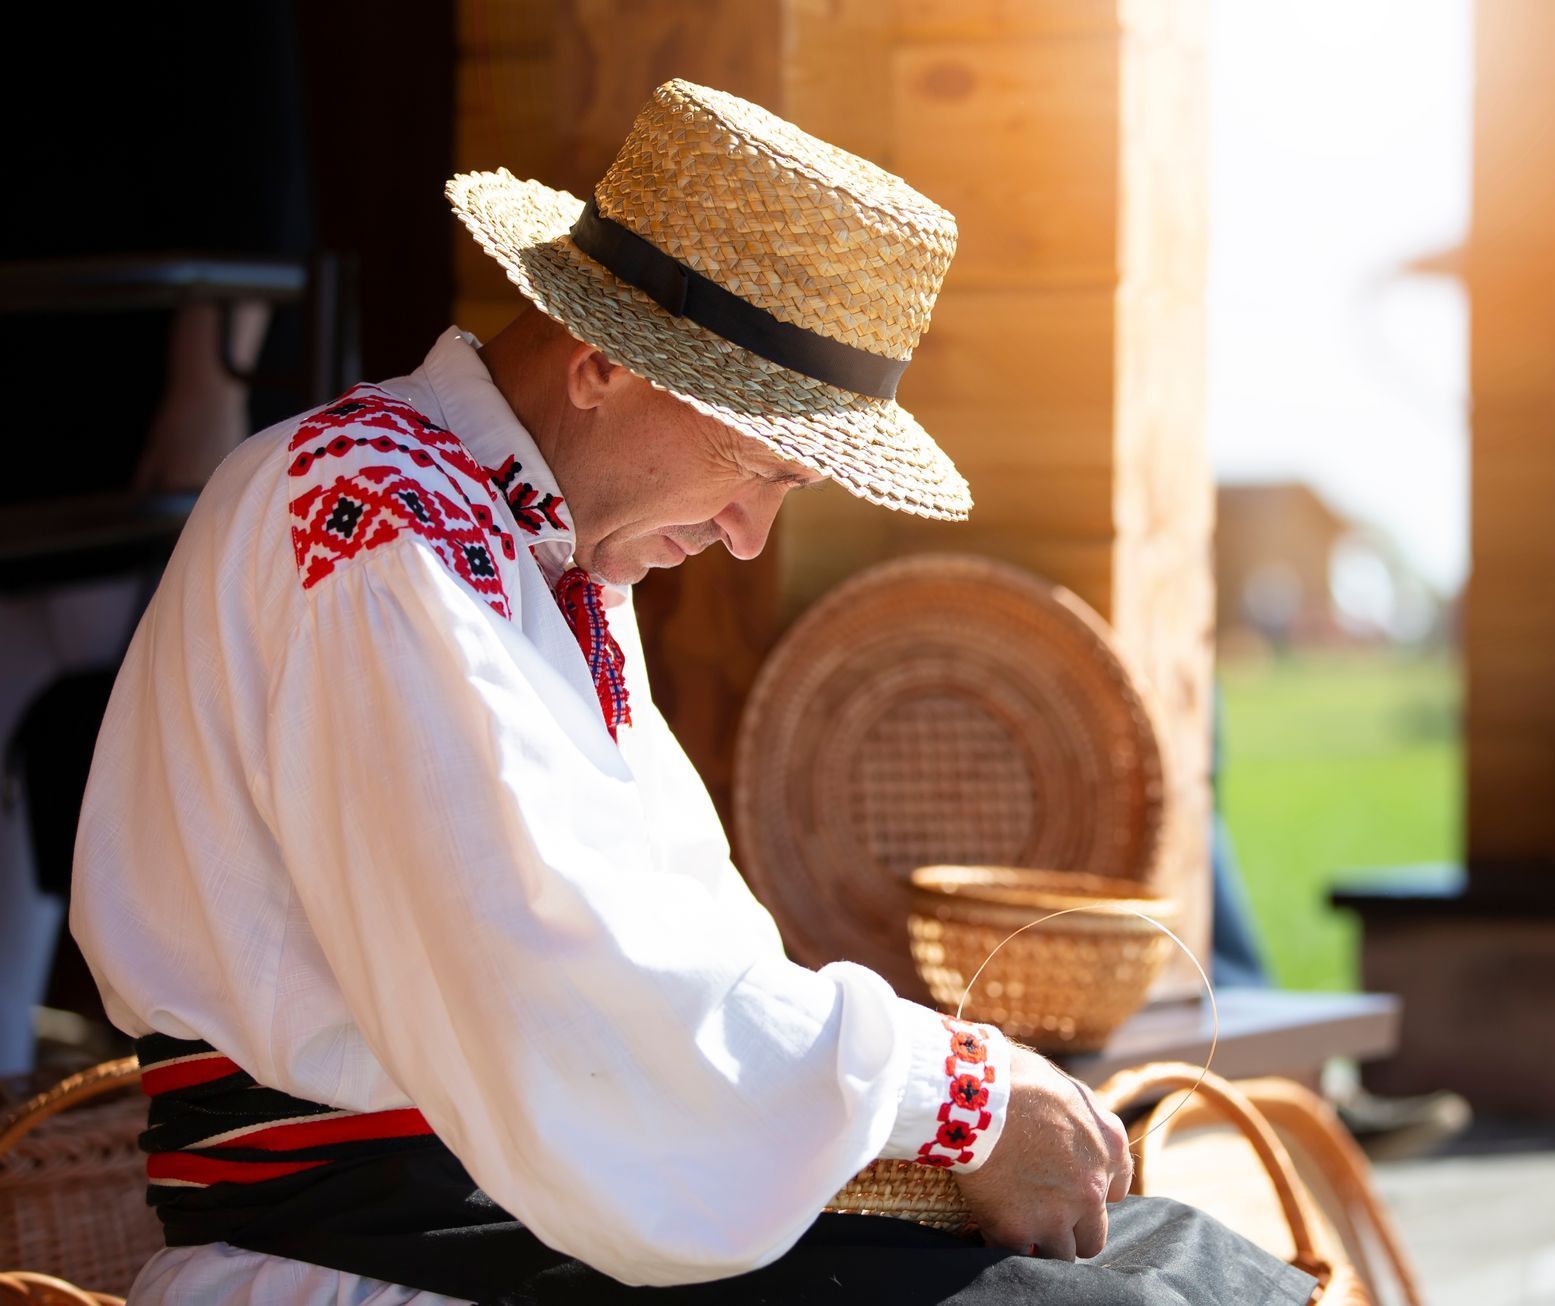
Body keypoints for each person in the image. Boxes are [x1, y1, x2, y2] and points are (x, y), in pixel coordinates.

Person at [69, 80, 1318, 1304]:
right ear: (603, 361)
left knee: (1181, 1266)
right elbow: (562, 982)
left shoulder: (532, 543)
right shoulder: (379, 522)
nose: (746, 534)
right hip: (395, 1230)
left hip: (536, 1199)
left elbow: (677, 962)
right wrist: (956, 1093)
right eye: (753, 464)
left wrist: (924, 1096)